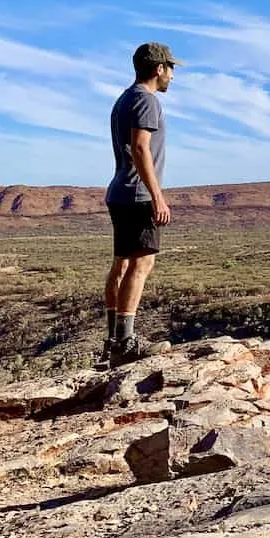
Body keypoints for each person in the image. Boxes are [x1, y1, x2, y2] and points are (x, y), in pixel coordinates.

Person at [100, 42, 178, 367]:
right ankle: (126, 343)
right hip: (137, 195)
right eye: (171, 68)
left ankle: (112, 341)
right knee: (141, 265)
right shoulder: (146, 100)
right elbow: (141, 148)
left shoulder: (124, 99)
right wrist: (157, 195)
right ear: (158, 68)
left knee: (121, 265)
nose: (173, 75)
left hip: (120, 192)